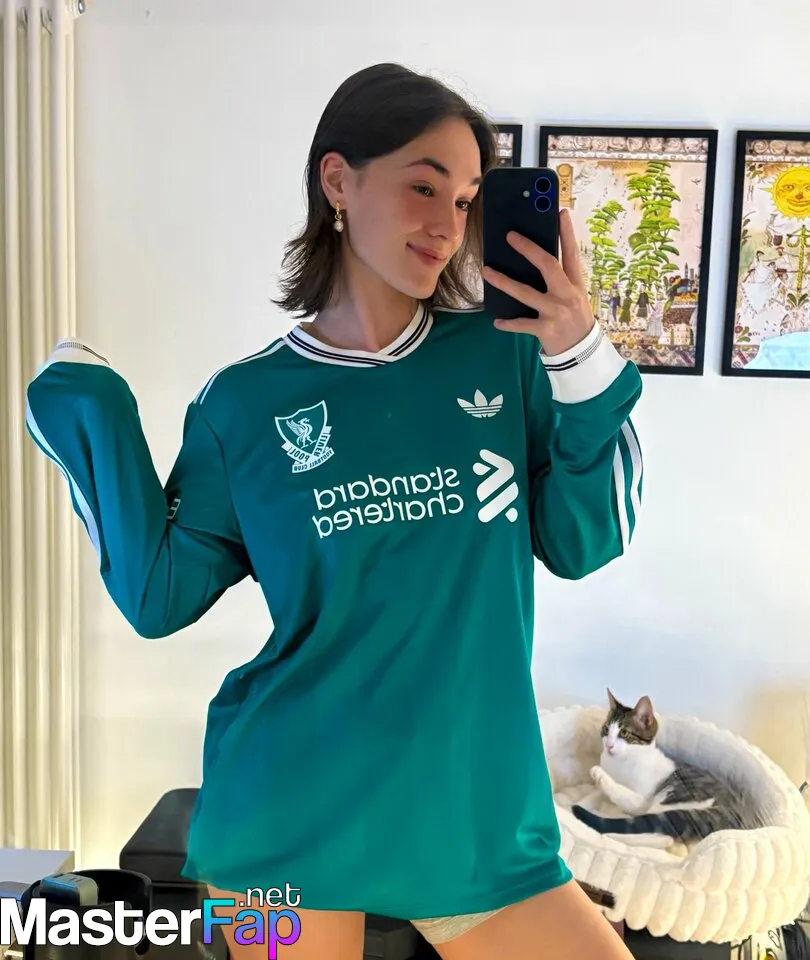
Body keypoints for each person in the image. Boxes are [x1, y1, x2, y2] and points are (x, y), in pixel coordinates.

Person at [25, 63, 643, 959]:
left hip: (474, 818)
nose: (448, 225)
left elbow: (589, 539)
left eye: (466, 200)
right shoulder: (244, 404)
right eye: (424, 186)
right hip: (285, 821)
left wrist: (580, 354)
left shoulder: (508, 356)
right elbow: (160, 595)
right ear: (338, 181)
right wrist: (89, 413)